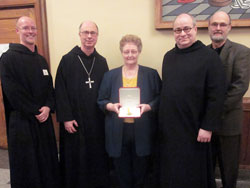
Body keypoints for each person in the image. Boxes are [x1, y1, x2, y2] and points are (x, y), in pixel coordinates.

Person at [158, 13, 226, 188]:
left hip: (196, 129)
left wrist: (207, 126)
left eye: (187, 28)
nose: (182, 33)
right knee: (172, 171)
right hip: (171, 130)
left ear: (195, 29)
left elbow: (217, 95)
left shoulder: (209, 57)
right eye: (178, 30)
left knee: (193, 174)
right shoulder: (168, 56)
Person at [0, 16, 60, 188]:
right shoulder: (8, 59)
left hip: (44, 120)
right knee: (28, 166)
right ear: (17, 31)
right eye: (26, 28)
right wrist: (35, 110)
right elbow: (13, 91)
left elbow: (50, 88)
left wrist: (48, 107)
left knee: (47, 163)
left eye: (33, 28)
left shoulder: (41, 60)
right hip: (23, 123)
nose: (31, 31)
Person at [98, 34, 161, 188]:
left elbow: (161, 98)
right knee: (122, 173)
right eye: (126, 52)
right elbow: (101, 100)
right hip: (118, 131)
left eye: (133, 51)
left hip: (142, 130)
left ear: (139, 51)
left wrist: (149, 107)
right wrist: (111, 106)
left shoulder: (151, 74)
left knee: (142, 172)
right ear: (122, 52)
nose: (130, 55)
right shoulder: (110, 76)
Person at [55, 21, 110, 188]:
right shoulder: (67, 60)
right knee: (76, 158)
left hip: (96, 120)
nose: (89, 36)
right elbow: (60, 90)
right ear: (79, 35)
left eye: (93, 33)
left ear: (97, 36)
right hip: (75, 120)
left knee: (96, 156)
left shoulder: (101, 62)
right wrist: (66, 118)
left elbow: (107, 90)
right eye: (85, 32)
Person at [208, 11, 250, 188]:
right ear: (209, 27)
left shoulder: (242, 52)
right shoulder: (202, 52)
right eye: (214, 24)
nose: (218, 28)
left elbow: (239, 87)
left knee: (228, 171)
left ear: (229, 27)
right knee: (207, 170)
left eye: (222, 24)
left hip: (228, 124)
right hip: (205, 126)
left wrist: (213, 111)